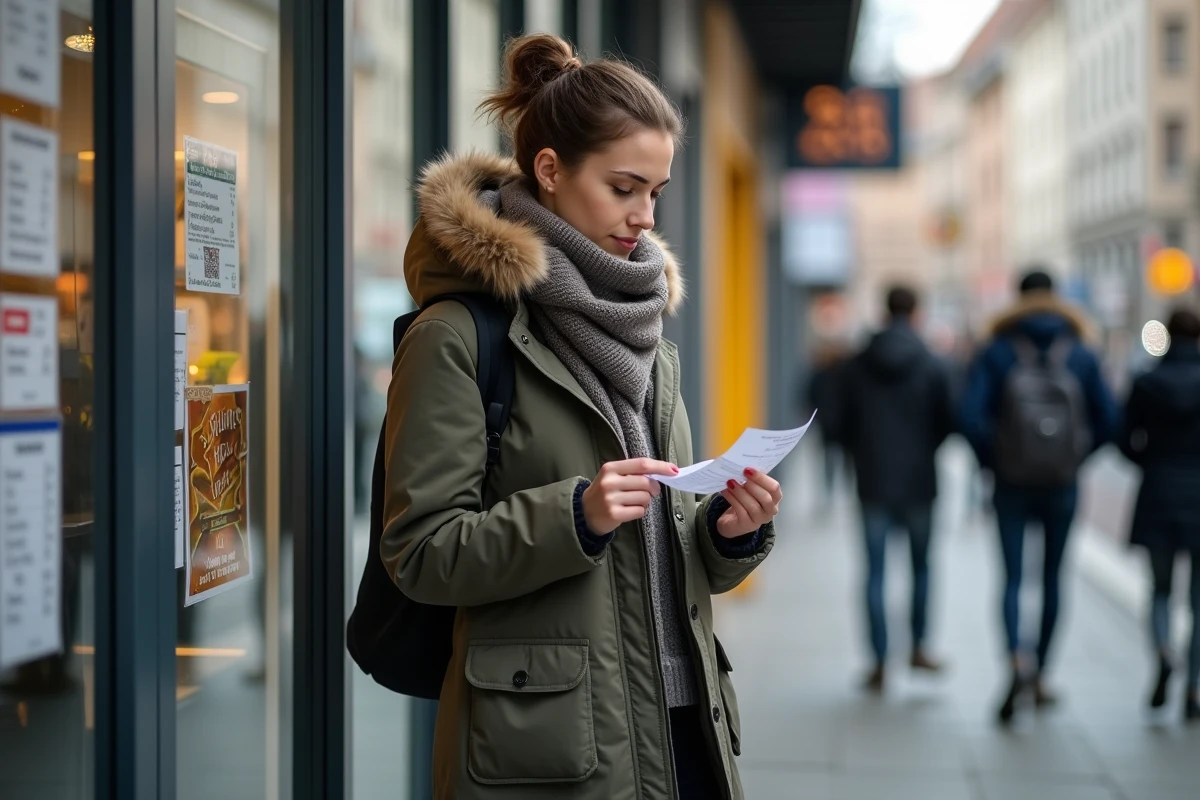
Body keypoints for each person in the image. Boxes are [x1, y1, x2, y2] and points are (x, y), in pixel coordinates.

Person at [380, 34, 780, 799]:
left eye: (655, 192)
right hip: (555, 755)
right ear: (550, 170)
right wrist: (577, 516)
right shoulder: (458, 336)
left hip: (686, 731)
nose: (644, 216)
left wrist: (728, 533)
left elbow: (659, 547)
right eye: (624, 187)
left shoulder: (644, 330)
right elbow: (421, 551)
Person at [960, 268, 1119, 724]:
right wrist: (1075, 457)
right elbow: (1110, 420)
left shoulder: (997, 348)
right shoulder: (1080, 349)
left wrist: (996, 459)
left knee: (1012, 578)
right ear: (1056, 296)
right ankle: (1043, 673)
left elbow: (969, 415)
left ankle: (1016, 659)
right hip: (1061, 485)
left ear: (1018, 297)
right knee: (1052, 577)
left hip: (1011, 483)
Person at [835, 286, 955, 692]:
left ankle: (879, 661)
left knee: (874, 572)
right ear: (916, 313)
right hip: (920, 480)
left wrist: (863, 451)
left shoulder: (857, 364)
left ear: (884, 312)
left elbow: (838, 423)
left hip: (872, 480)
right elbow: (949, 420)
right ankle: (919, 647)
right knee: (922, 567)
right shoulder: (933, 362)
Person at [1118, 308, 1200, 723]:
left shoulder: (1147, 382)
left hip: (1158, 491)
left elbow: (1123, 437)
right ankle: (1194, 686)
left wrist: (1150, 461)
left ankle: (1164, 651)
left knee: (1161, 589)